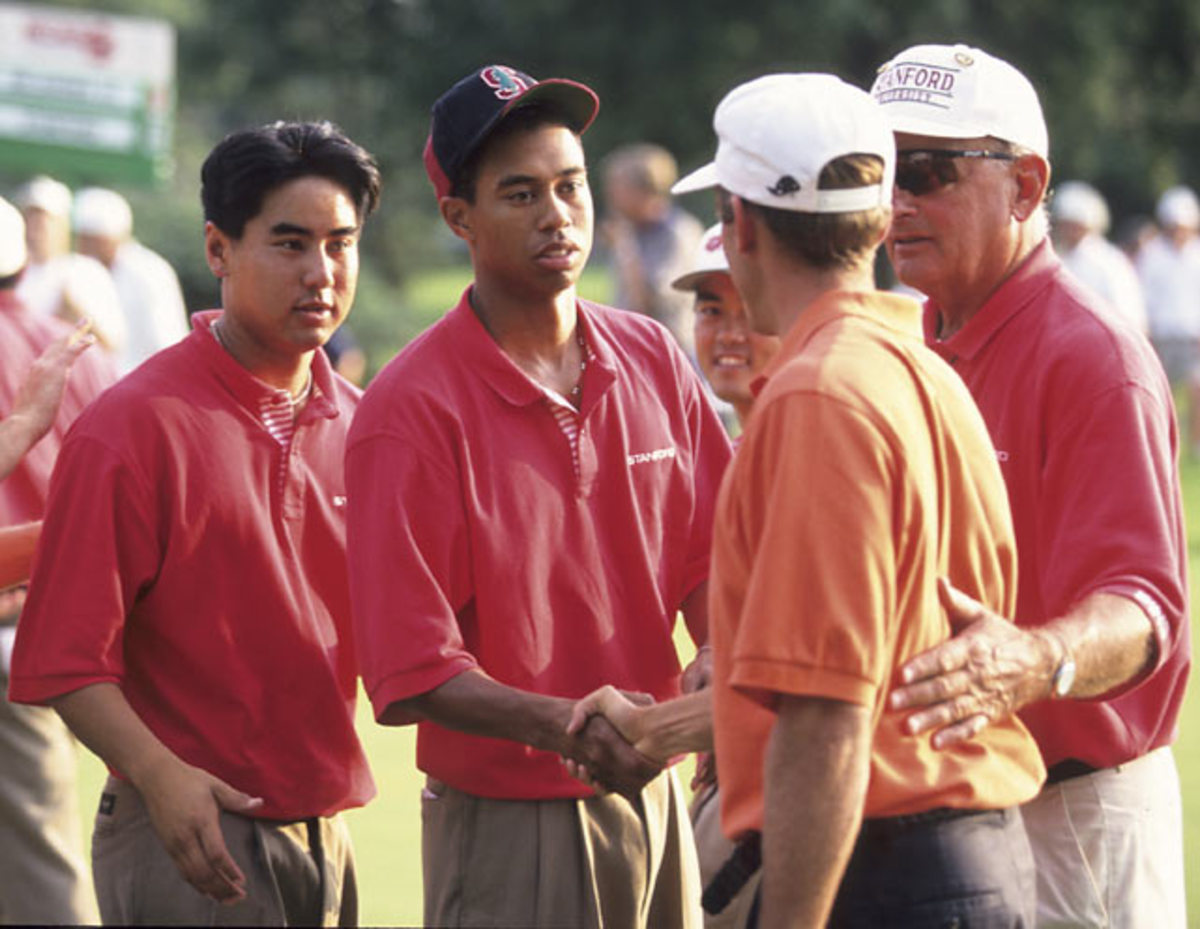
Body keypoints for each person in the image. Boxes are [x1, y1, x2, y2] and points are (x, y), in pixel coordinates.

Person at [615, 70, 1043, 929]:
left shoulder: (818, 394)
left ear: (739, 225)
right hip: (957, 852)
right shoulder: (919, 365)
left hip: (884, 865)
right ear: (880, 221)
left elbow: (825, 719)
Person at [346, 64, 732, 929]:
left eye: (570, 185)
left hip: (659, 795)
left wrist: (720, 649)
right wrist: (570, 726)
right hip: (508, 825)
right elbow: (412, 666)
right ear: (460, 218)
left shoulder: (654, 357)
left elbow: (715, 557)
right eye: (520, 194)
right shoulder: (409, 408)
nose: (557, 214)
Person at [8, 120, 381, 926]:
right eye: (290, 243)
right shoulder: (135, 425)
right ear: (218, 249)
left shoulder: (367, 427)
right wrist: (158, 773)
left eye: (341, 243)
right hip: (187, 826)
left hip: (325, 824)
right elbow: (62, 657)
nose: (321, 272)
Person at [872, 43, 1190, 927]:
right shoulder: (906, 341)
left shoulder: (1092, 356)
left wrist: (1034, 660)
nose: (896, 202)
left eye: (927, 171)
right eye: (880, 171)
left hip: (1073, 813)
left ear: (1024, 186)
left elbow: (1144, 605)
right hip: (950, 801)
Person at [0, 193, 117, 926]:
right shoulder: (77, 349)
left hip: (15, 629)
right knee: (42, 855)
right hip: (63, 634)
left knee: (40, 873)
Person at [602, 142, 706, 357]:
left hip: (669, 355)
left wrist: (624, 248)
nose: (609, 194)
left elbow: (646, 303)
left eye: (617, 186)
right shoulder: (630, 229)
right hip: (635, 351)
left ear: (643, 190)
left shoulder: (679, 233)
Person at [74, 186, 191, 373]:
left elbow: (167, 343)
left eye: (91, 240)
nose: (83, 247)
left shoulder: (149, 272)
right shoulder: (83, 272)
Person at [13, 174, 127, 356]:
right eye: (30, 217)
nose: (36, 226)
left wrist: (75, 316)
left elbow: (112, 345)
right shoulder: (12, 272)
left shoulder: (87, 272)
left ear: (63, 223)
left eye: (45, 219)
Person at [1136, 185, 1200, 454]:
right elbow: (1144, 294)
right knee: (1161, 394)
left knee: (1197, 390)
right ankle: (1162, 444)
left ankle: (1196, 446)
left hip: (1193, 335)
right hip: (1161, 335)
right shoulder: (1152, 255)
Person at [1050, 179, 1147, 333]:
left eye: (1072, 225)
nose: (1067, 230)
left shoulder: (1109, 261)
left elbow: (1127, 314)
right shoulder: (1058, 258)